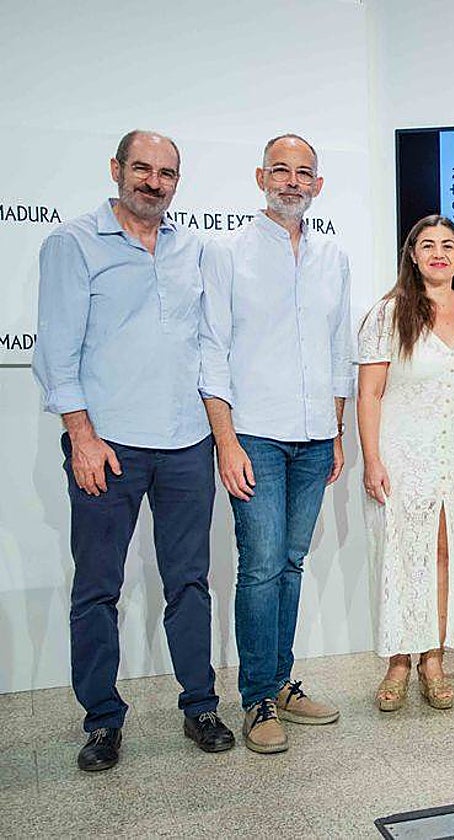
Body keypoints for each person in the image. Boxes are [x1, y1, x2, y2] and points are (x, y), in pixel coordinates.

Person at [32, 130, 234, 771]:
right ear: (116, 169)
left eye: (166, 172)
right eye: (142, 169)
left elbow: (206, 348)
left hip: (185, 445)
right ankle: (101, 721)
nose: (154, 181)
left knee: (191, 584)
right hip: (108, 447)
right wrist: (82, 437)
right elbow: (56, 352)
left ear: (178, 182)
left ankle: (199, 705)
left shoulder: (192, 249)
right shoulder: (73, 243)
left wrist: (218, 434)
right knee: (97, 589)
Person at [199, 134, 353, 754]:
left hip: (317, 440)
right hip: (255, 437)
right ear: (261, 176)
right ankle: (258, 696)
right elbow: (211, 347)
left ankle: (282, 681)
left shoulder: (333, 257)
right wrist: (225, 440)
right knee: (260, 567)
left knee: (291, 563)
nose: (292, 181)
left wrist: (338, 432)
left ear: (318, 185)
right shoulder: (227, 251)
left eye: (304, 173)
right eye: (281, 170)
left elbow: (339, 348)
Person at [358, 215, 454, 712]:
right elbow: (369, 393)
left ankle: (433, 660)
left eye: (449, 245)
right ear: (412, 255)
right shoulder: (388, 313)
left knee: (443, 552)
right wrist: (371, 459)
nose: (438, 253)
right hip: (401, 450)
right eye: (427, 245)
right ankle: (397, 661)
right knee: (400, 552)